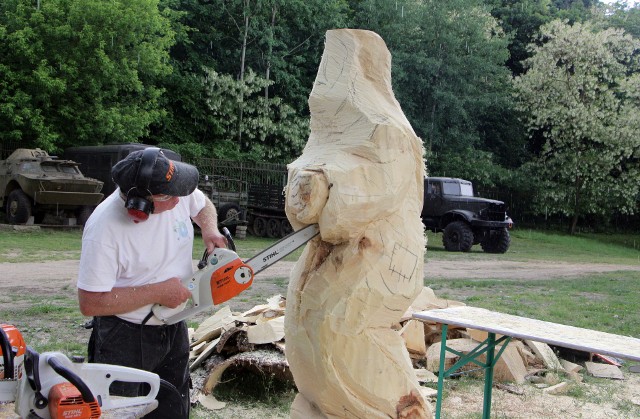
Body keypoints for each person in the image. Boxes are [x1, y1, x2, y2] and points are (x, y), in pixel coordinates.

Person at [76, 148, 227, 418]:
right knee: (123, 410)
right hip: (125, 338)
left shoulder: (172, 189)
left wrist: (209, 228)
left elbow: (201, 205)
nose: (180, 198)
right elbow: (90, 302)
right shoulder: (104, 229)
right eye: (172, 196)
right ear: (141, 206)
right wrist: (157, 292)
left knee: (173, 407)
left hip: (173, 326)